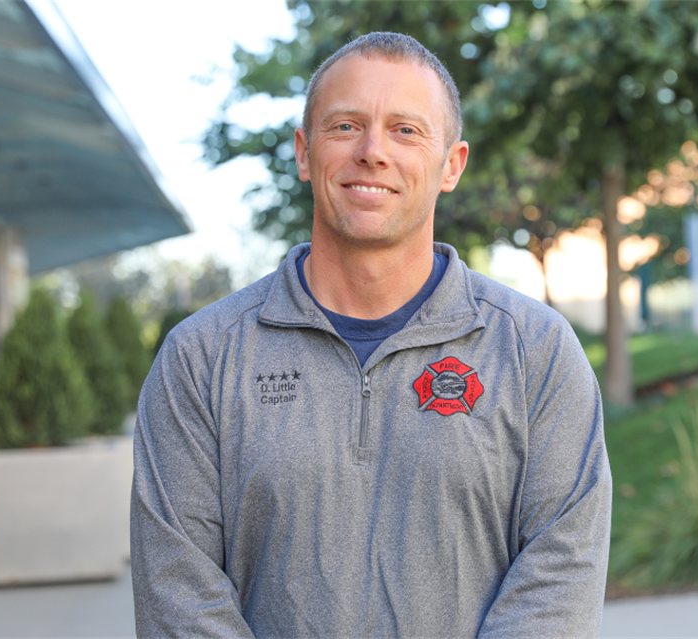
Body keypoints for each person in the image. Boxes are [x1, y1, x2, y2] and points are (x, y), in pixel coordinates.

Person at [131, 32, 611, 638]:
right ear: (305, 153)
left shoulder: (535, 352)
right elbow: (178, 596)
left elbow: (559, 581)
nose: (373, 152)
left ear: (451, 165)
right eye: (345, 126)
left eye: (406, 130)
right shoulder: (200, 359)